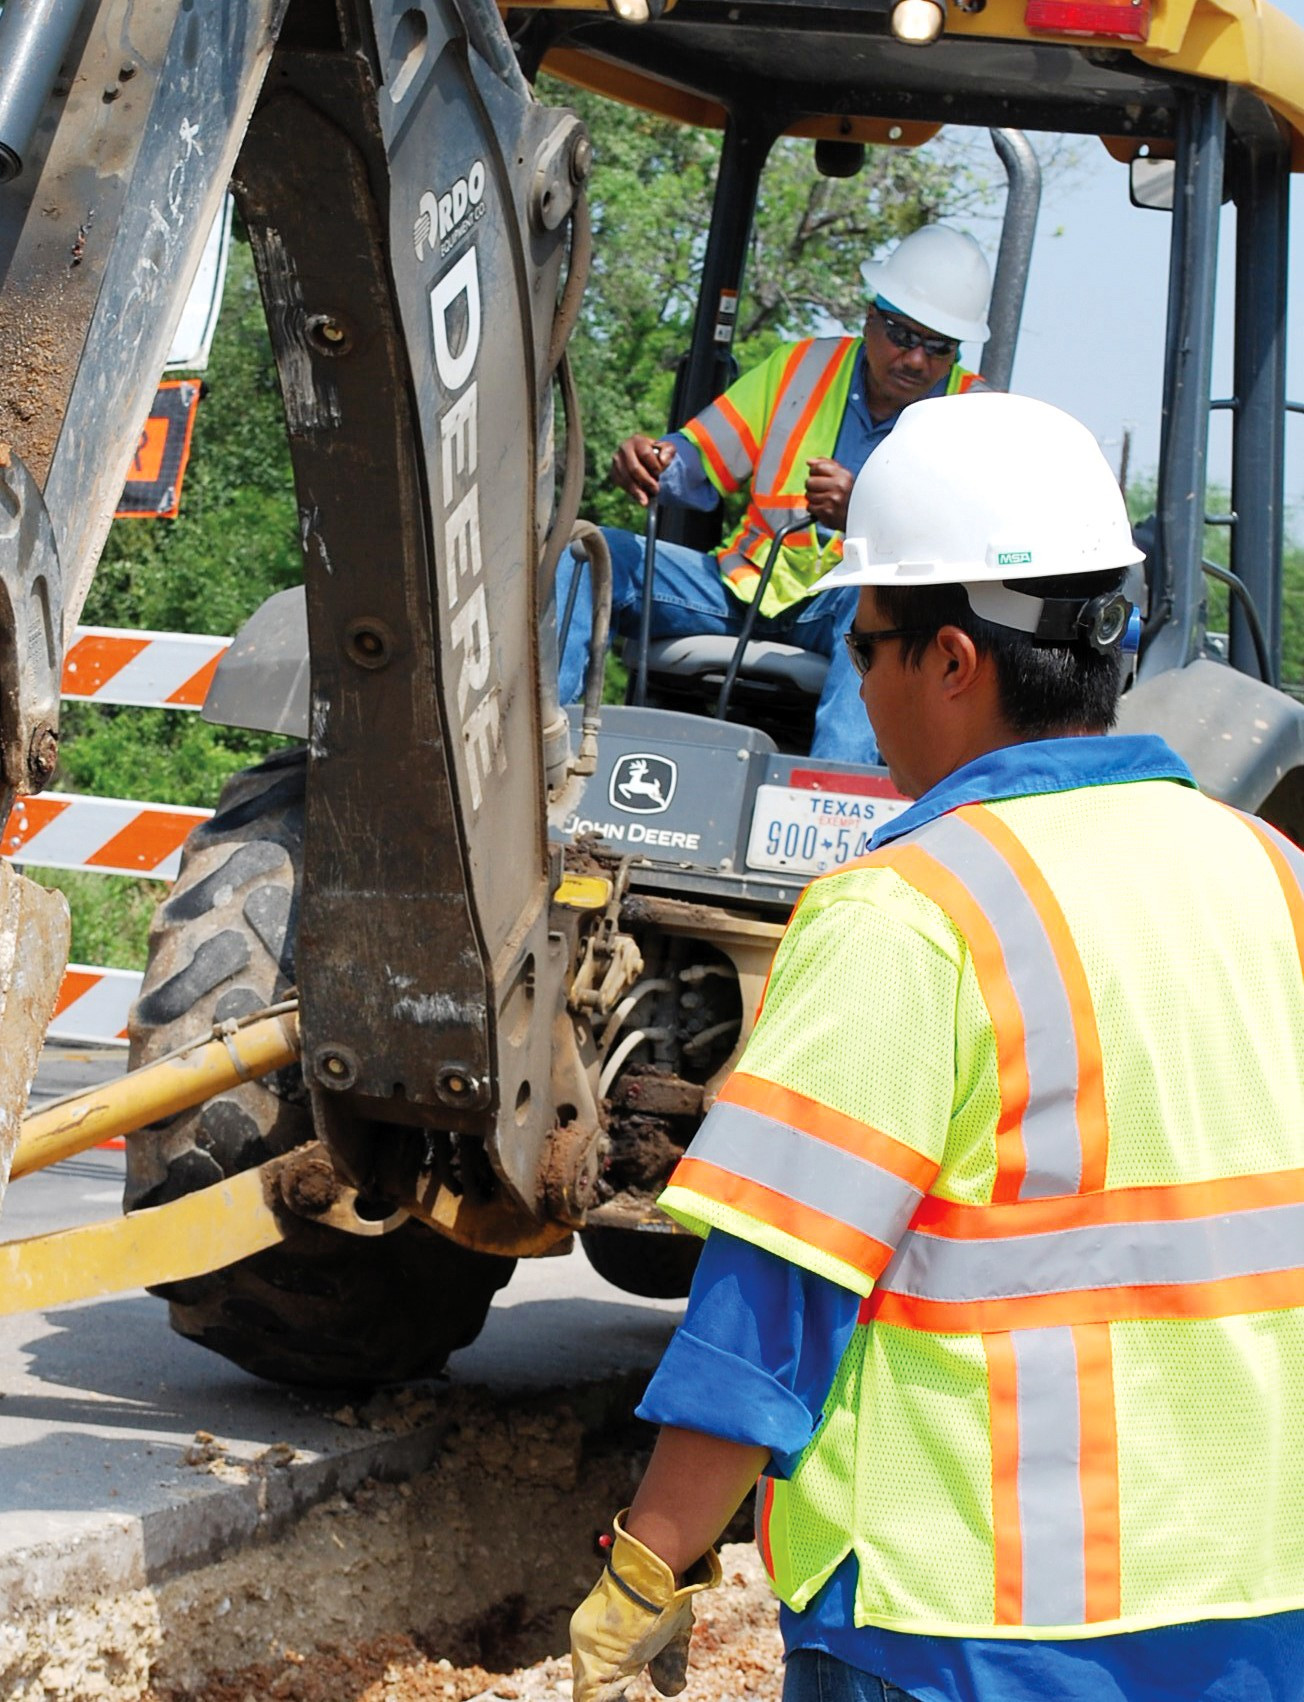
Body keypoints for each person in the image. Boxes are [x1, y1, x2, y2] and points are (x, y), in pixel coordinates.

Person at [568, 390, 1304, 1702]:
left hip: (965, 1621)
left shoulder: (916, 909)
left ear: (952, 662)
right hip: (1259, 1614)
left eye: (863, 649)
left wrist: (653, 1562)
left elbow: (774, 1304)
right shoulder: (1276, 876)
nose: (859, 682)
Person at [554, 224, 991, 764]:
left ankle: (829, 806)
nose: (918, 360)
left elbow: (973, 549)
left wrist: (864, 513)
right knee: (588, 554)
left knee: (874, 605)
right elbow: (699, 458)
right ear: (870, 319)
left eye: (939, 346)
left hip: (852, 608)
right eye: (903, 336)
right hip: (743, 586)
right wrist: (654, 461)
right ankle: (544, 753)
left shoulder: (976, 417)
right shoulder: (800, 368)